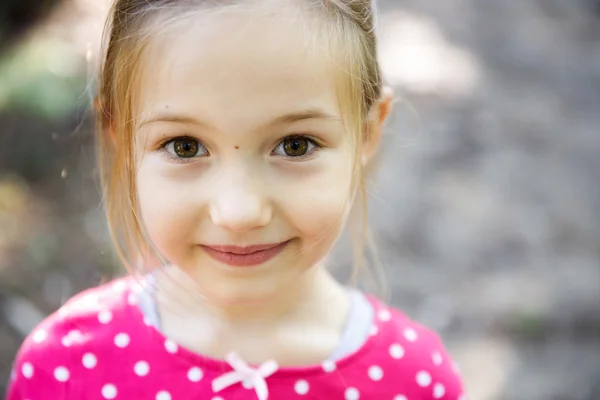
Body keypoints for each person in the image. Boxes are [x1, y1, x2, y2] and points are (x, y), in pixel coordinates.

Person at [7, 0, 466, 399]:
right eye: (185, 146)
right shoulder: (67, 367)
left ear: (368, 133)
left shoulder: (414, 383)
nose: (239, 213)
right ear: (121, 138)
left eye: (295, 145)